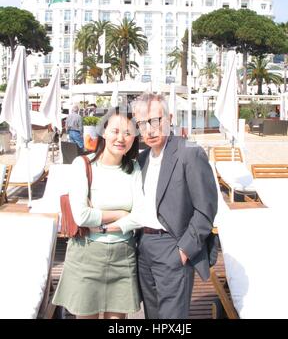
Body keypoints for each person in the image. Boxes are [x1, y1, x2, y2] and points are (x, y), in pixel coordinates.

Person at [106, 93, 218, 319]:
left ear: (169, 118)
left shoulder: (189, 152)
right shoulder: (142, 159)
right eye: (142, 124)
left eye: (156, 121)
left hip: (173, 245)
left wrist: (185, 249)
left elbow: (206, 208)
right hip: (144, 247)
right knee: (153, 316)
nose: (150, 130)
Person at [52, 107, 142, 319]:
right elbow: (81, 216)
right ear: (103, 131)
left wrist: (102, 223)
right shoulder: (82, 164)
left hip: (123, 254)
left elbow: (140, 215)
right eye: (115, 131)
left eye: (128, 133)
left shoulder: (134, 168)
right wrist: (121, 213)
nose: (121, 138)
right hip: (86, 254)